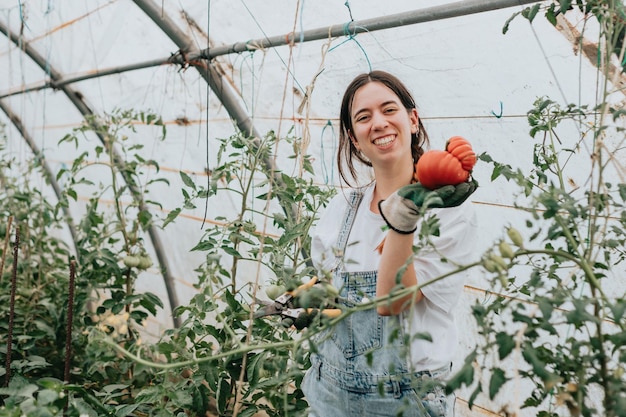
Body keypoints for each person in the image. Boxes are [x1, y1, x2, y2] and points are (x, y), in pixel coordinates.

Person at [301, 70, 478, 417]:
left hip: (405, 398)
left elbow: (392, 302)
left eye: (389, 110)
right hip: (332, 393)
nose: (378, 123)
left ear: (413, 120)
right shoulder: (341, 209)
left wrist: (403, 218)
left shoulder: (447, 212)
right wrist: (303, 300)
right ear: (354, 138)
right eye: (363, 118)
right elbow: (328, 290)